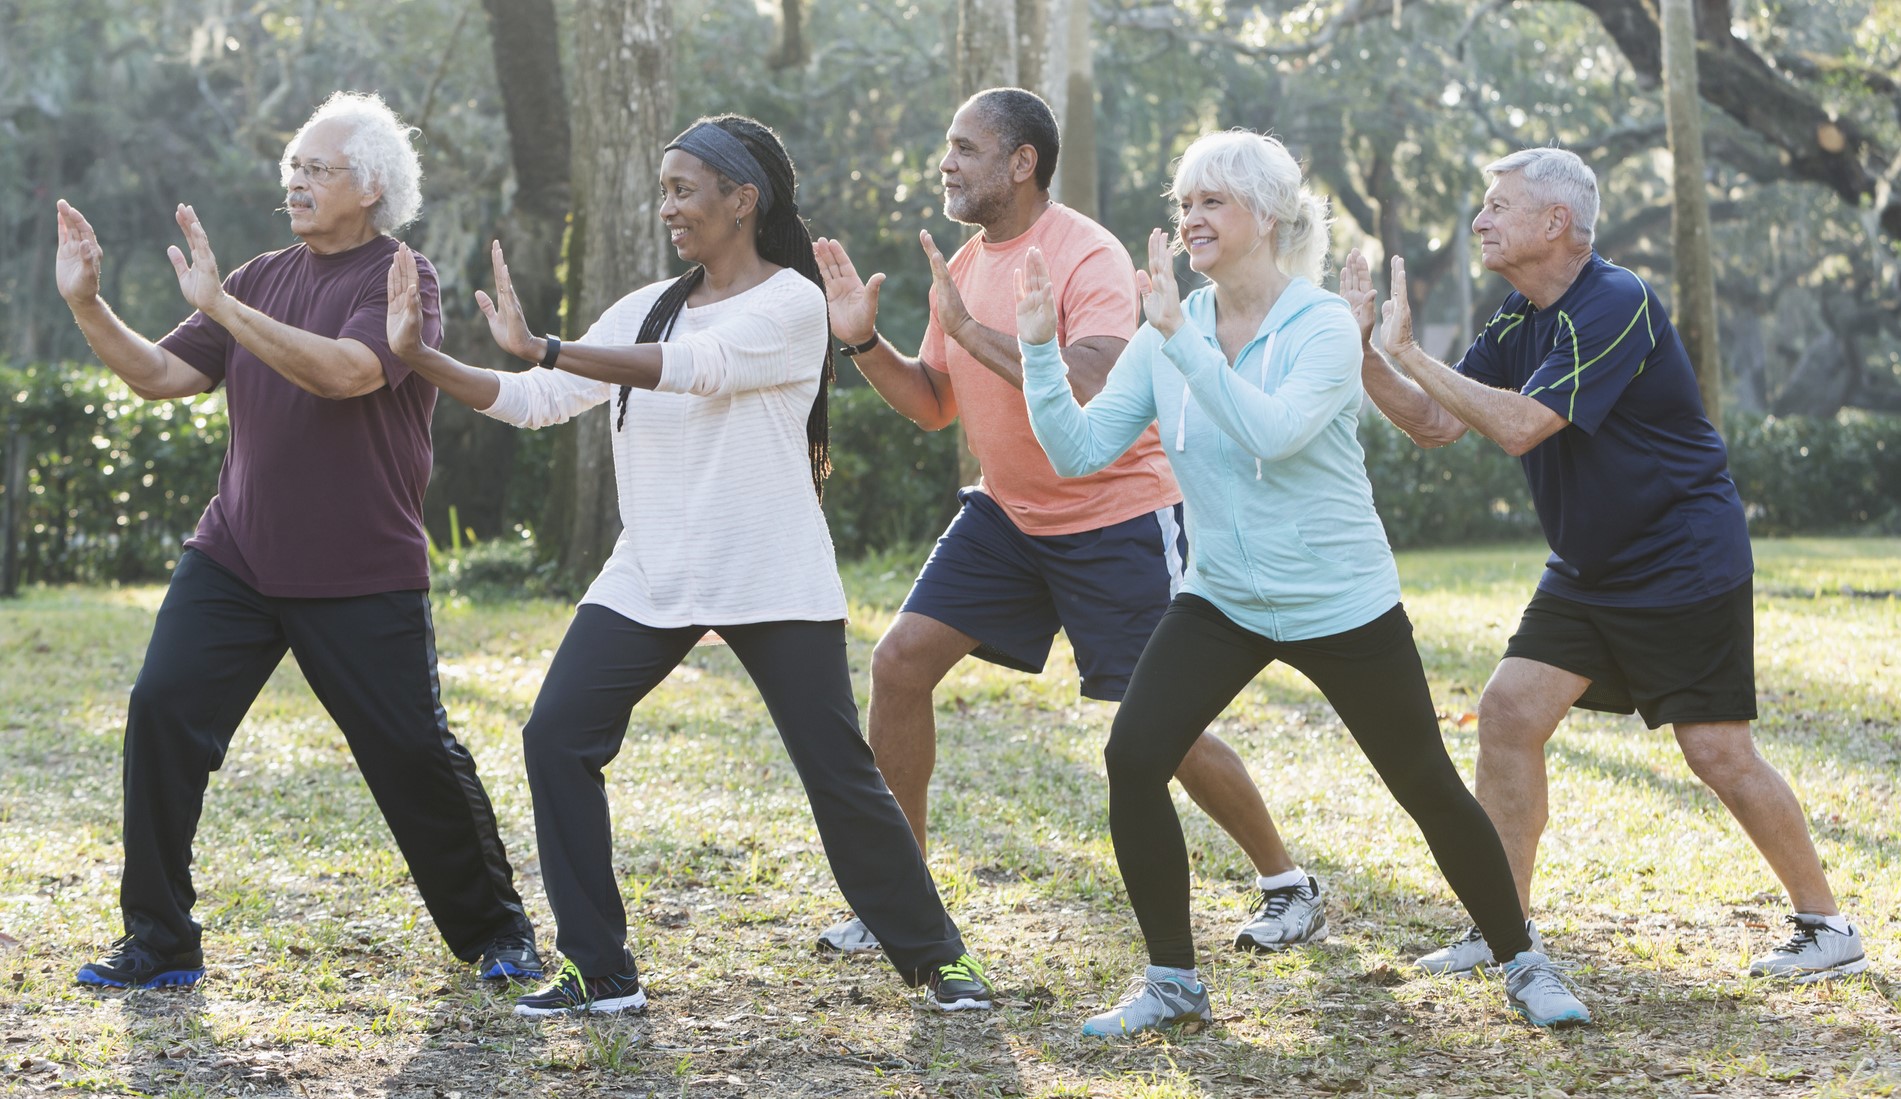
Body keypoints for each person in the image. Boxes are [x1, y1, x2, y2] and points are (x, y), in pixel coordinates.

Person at [385, 114, 991, 1017]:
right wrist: (423, 357)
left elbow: (694, 370)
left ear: (742, 200)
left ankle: (937, 958)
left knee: (837, 771)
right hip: (653, 572)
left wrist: (546, 342)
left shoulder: (790, 304)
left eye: (683, 189)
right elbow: (538, 399)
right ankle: (600, 968)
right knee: (556, 736)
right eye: (663, 189)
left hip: (768, 570)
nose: (667, 207)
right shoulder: (646, 305)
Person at [1015, 130, 1593, 1035]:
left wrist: (1179, 339)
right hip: (1223, 598)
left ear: (1269, 218)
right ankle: (1172, 978)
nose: (1190, 218)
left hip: (1340, 600)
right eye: (1183, 204)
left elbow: (1272, 434)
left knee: (1424, 784)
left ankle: (1522, 959)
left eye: (1212, 201)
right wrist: (1037, 353)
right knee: (1132, 757)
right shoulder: (1171, 325)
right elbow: (1079, 450)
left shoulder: (1320, 323)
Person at [811, 88, 1321, 957]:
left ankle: (1286, 882)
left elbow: (1090, 377)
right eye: (948, 146)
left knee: (1164, 724)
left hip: (1113, 513)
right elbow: (935, 405)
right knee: (898, 663)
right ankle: (901, 897)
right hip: (1008, 513)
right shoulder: (965, 267)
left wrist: (970, 333)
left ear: (1021, 162)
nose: (947, 164)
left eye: (965, 148)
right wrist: (863, 344)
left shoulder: (1082, 250)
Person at [54, 92, 540, 990]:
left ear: (372, 187)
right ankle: (159, 939)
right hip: (236, 553)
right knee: (162, 709)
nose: (296, 181)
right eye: (293, 167)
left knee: (411, 753)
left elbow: (350, 374)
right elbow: (163, 375)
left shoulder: (403, 277)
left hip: (359, 567)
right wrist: (88, 305)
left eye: (317, 168)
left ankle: (498, 932)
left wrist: (227, 312)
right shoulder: (256, 275)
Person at [1345, 146, 1867, 982]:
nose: (1479, 220)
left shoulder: (1614, 299)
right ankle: (1501, 926)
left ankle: (1826, 923)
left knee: (1716, 753)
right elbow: (1436, 423)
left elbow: (1519, 425)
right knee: (1509, 712)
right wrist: (1365, 350)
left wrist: (1410, 353)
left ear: (1555, 223)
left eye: (1495, 205)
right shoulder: (1517, 316)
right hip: (1587, 566)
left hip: (1680, 557)